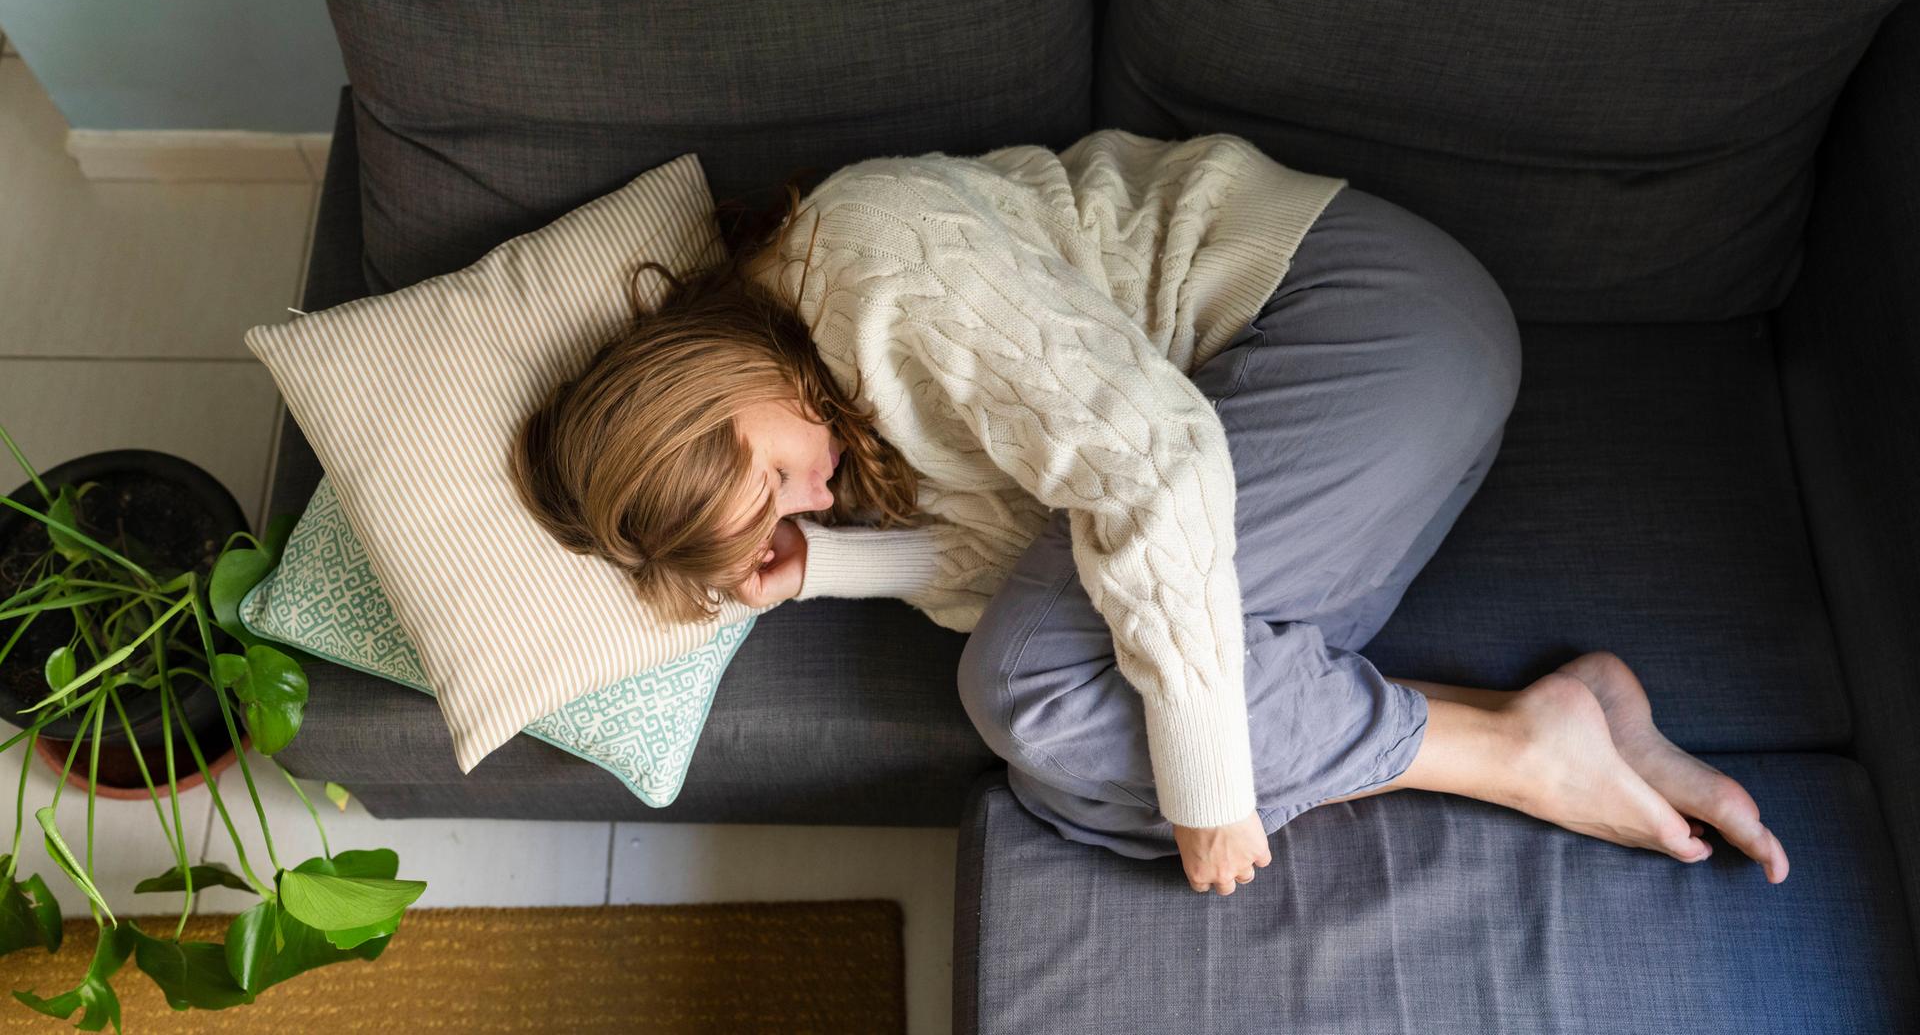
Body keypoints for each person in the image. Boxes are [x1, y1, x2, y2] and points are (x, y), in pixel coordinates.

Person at [508, 129, 1790, 898]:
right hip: (1338, 443)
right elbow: (1049, 557)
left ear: (719, 377)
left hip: (1359, 328)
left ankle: (1513, 752)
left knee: (1035, 696)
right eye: (777, 510)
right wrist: (825, 569)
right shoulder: (825, 406)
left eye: (773, 470)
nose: (813, 494)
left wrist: (1214, 789)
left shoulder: (870, 267)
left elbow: (1155, 466)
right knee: (1065, 772)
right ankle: (1544, 729)